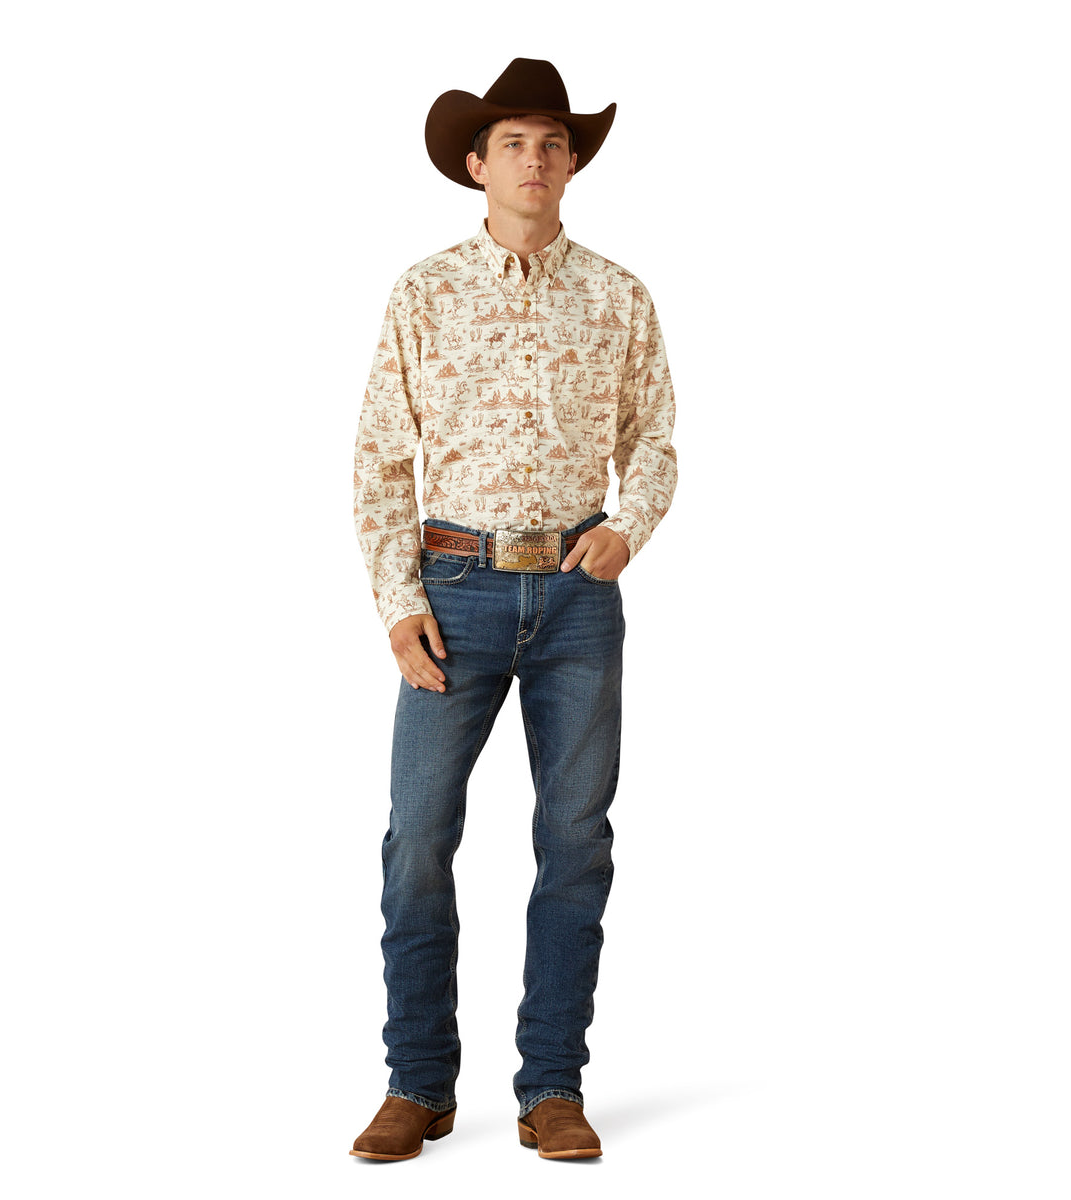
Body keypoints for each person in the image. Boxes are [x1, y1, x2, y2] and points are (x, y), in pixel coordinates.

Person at [350, 58, 677, 1161]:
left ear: (572, 162)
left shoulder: (619, 294)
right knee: (418, 843)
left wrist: (630, 525)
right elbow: (382, 459)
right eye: (513, 144)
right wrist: (399, 606)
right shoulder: (424, 292)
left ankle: (551, 1088)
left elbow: (657, 438)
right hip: (456, 589)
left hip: (579, 600)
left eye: (552, 141)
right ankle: (418, 1083)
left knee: (576, 842)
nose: (534, 159)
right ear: (476, 167)